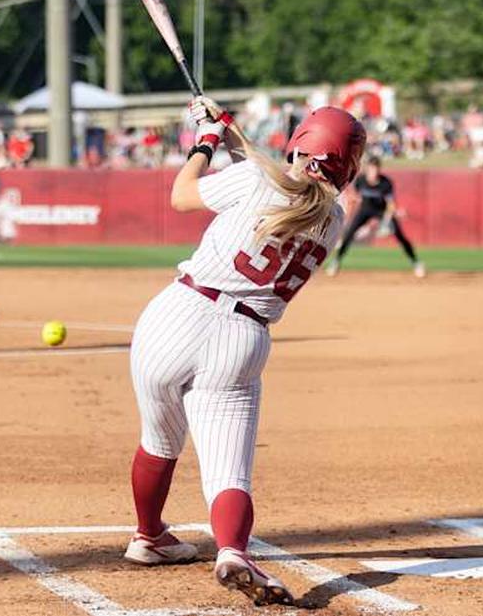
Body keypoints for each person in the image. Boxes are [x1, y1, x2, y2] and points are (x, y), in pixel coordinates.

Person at [123, 98, 365, 606]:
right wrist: (228, 128)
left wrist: (205, 143)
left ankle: (149, 536)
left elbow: (183, 196)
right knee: (228, 470)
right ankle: (232, 550)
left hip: (174, 317)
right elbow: (275, 177)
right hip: (240, 340)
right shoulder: (333, 218)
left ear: (299, 142)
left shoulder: (259, 181)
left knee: (159, 440)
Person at [325, 156, 424, 277]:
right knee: (348, 235)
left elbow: (391, 204)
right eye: (372, 169)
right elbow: (355, 198)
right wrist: (348, 217)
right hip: (365, 211)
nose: (374, 172)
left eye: (376, 169)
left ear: (379, 169)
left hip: (381, 211)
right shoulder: (361, 181)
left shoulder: (385, 183)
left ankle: (416, 263)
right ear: (367, 169)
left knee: (400, 236)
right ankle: (336, 262)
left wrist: (387, 222)